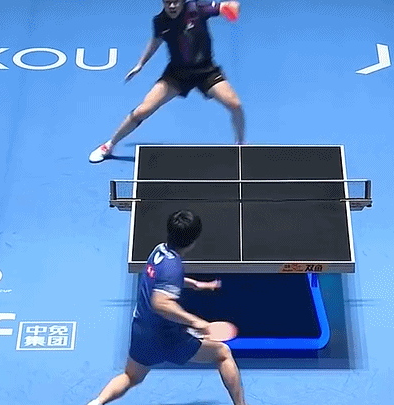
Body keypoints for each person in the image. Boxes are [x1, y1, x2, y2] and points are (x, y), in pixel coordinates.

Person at [86, 210, 249, 405]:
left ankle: (97, 402)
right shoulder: (174, 267)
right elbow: (160, 303)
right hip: (167, 337)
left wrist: (195, 284)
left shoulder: (159, 251)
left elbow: (161, 280)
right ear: (193, 241)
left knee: (131, 376)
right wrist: (197, 322)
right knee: (223, 353)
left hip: (142, 330)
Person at [89, 0, 245, 163]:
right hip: (177, 74)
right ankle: (109, 145)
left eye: (175, 2)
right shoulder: (160, 21)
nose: (171, 6)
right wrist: (140, 64)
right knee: (142, 110)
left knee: (235, 105)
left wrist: (231, 7)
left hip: (206, 71)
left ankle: (241, 146)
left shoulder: (198, 9)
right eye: (168, 2)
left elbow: (226, 6)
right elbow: (154, 43)